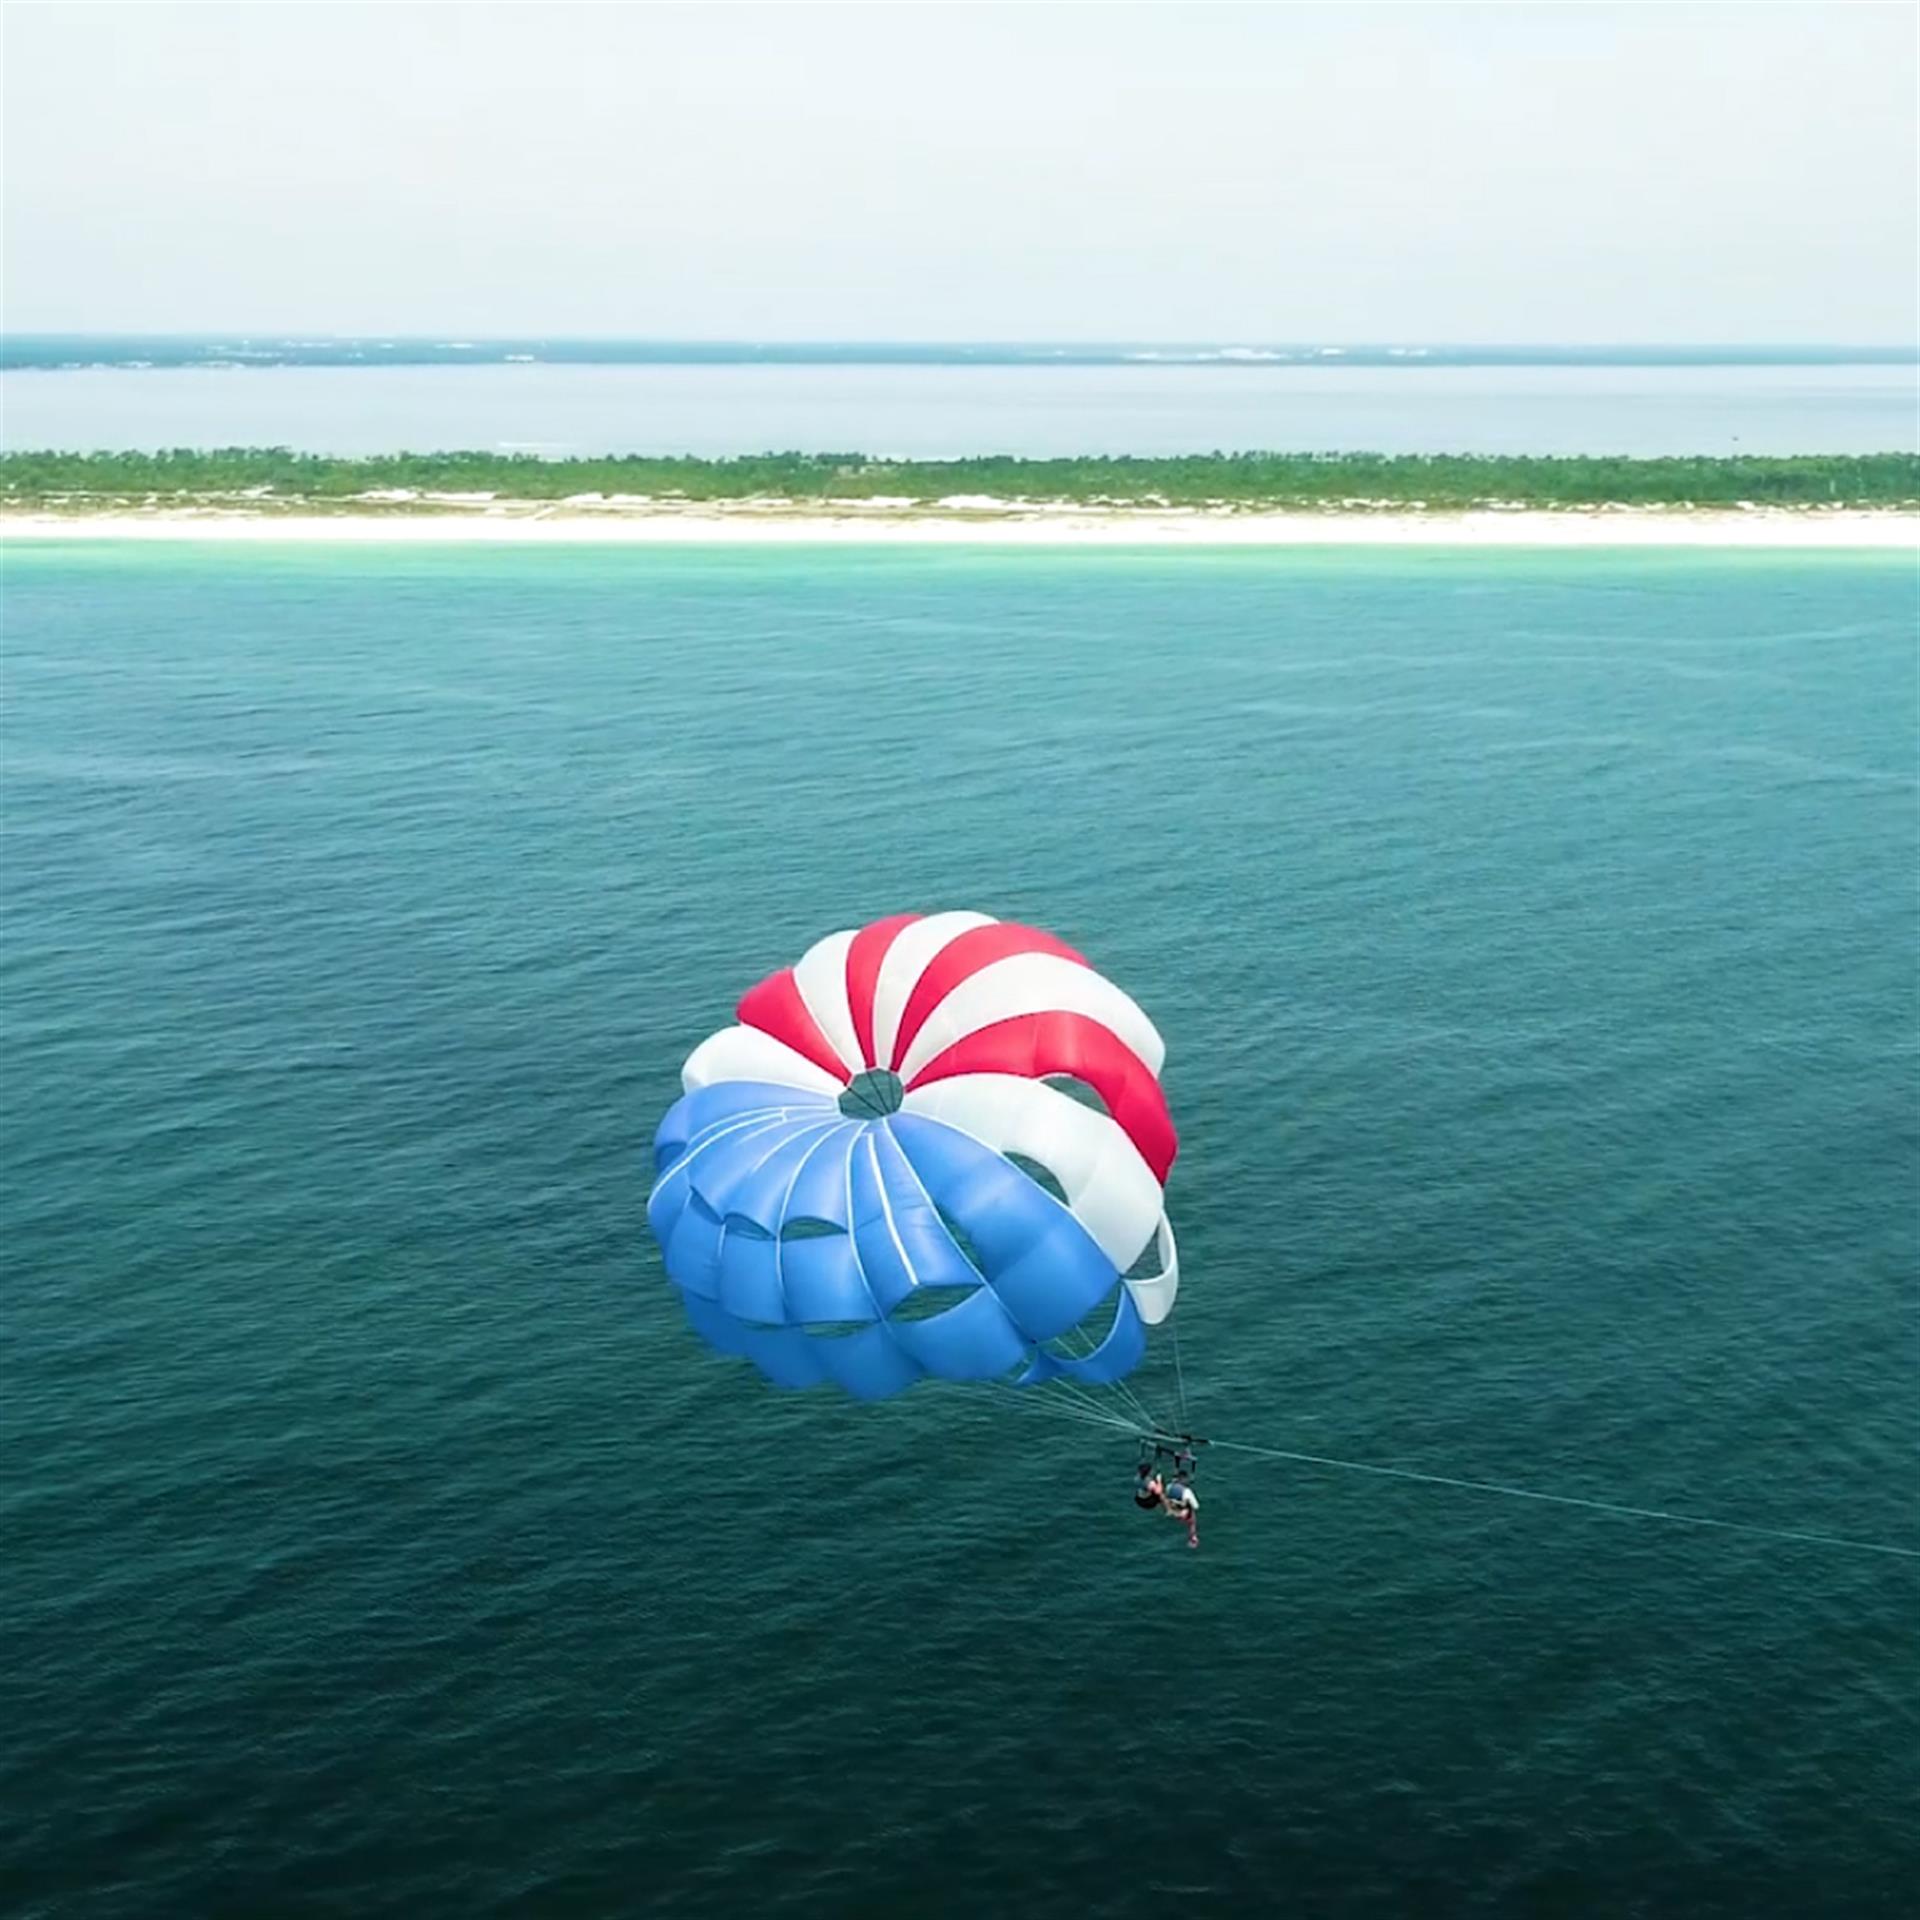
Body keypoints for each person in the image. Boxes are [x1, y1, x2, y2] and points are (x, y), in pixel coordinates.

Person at [1163, 1474, 1199, 1549]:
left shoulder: (1169, 1486)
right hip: (1183, 1514)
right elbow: (1196, 1506)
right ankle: (1193, 1538)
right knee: (1192, 1521)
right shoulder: (1186, 1491)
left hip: (1173, 1510)